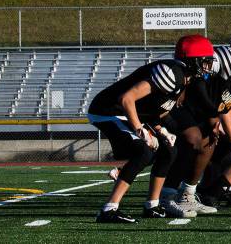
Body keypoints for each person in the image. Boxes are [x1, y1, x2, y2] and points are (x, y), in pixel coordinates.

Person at [87, 34, 214, 223]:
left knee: (170, 150)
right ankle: (109, 209)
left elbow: (151, 108)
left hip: (127, 112)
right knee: (143, 152)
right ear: (193, 60)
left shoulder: (184, 79)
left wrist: (161, 130)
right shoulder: (172, 73)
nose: (208, 67)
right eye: (205, 62)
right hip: (108, 110)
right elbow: (127, 99)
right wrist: (140, 130)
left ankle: (152, 205)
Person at [161, 36, 231, 217]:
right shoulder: (229, 59)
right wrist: (207, 109)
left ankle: (188, 195)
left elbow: (223, 109)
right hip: (181, 104)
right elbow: (198, 72)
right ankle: (166, 196)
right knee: (191, 141)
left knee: (209, 141)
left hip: (199, 109)